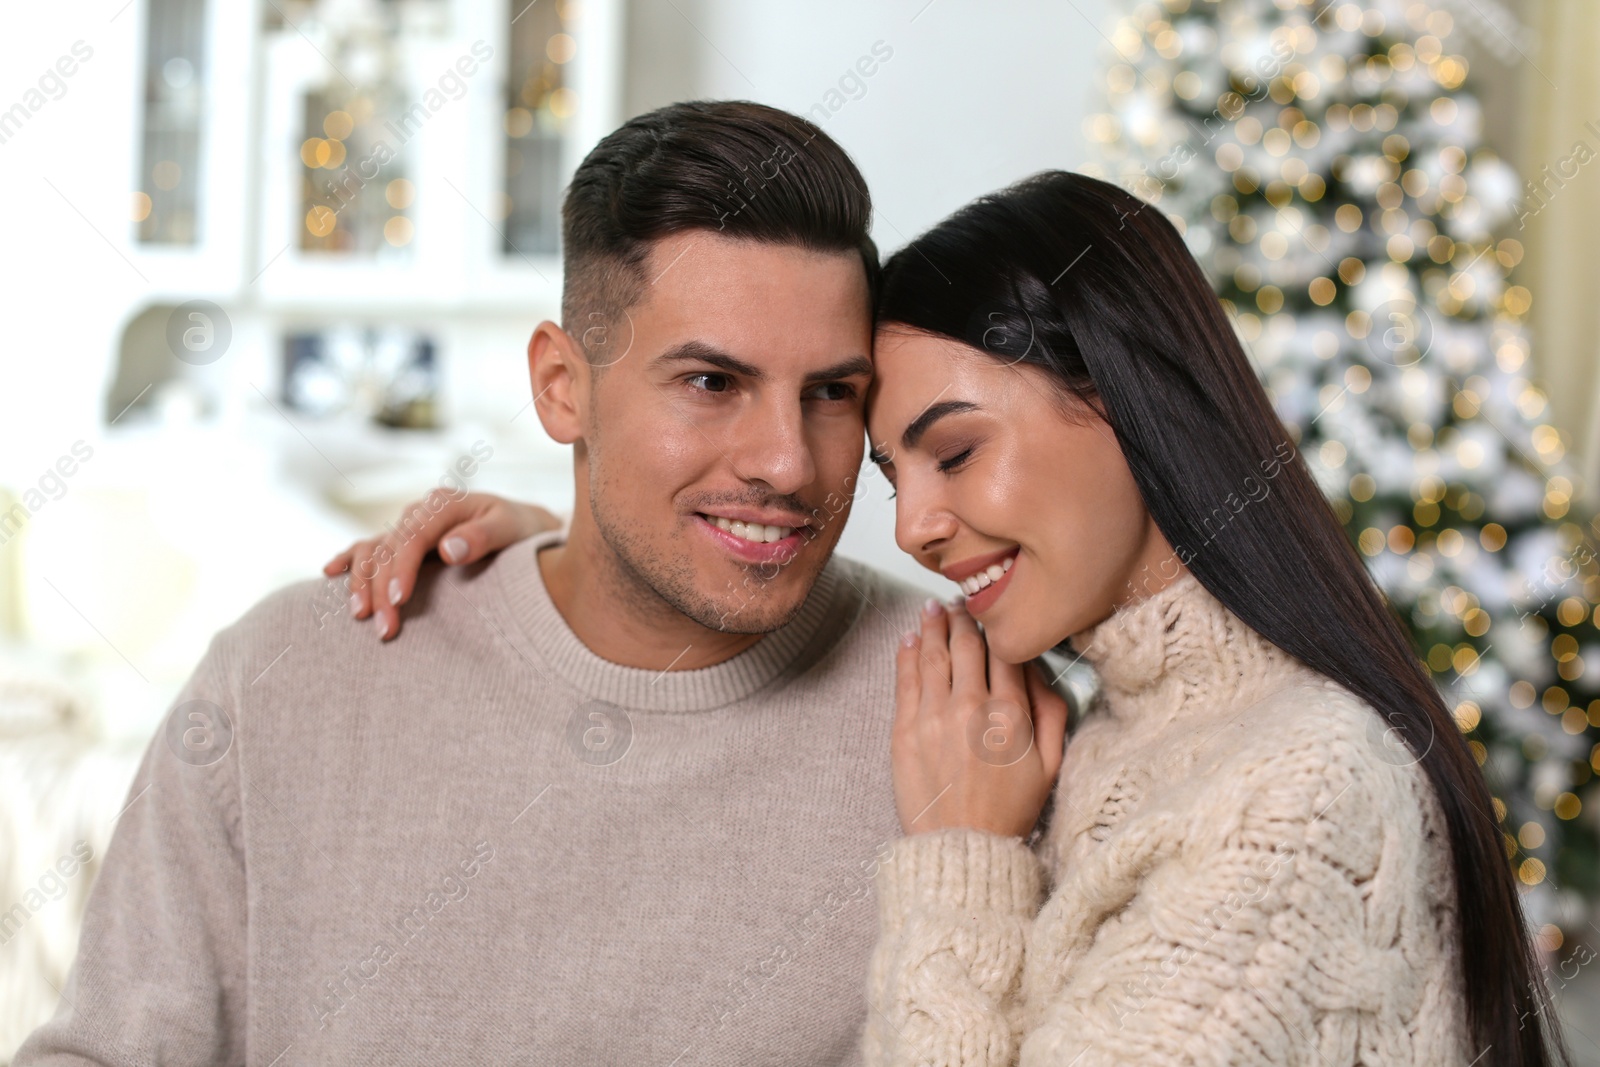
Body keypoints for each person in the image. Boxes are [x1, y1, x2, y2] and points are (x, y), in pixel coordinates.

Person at [339, 171, 1568, 1066]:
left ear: (1125, 400)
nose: (916, 525)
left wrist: (961, 866)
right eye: (890, 474)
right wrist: (593, 539)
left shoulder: (1300, 790)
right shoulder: (1099, 720)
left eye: (956, 452)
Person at [19, 101, 1067, 1066]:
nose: (787, 462)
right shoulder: (283, 677)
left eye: (832, 393)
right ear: (562, 388)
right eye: (711, 383)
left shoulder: (976, 722)